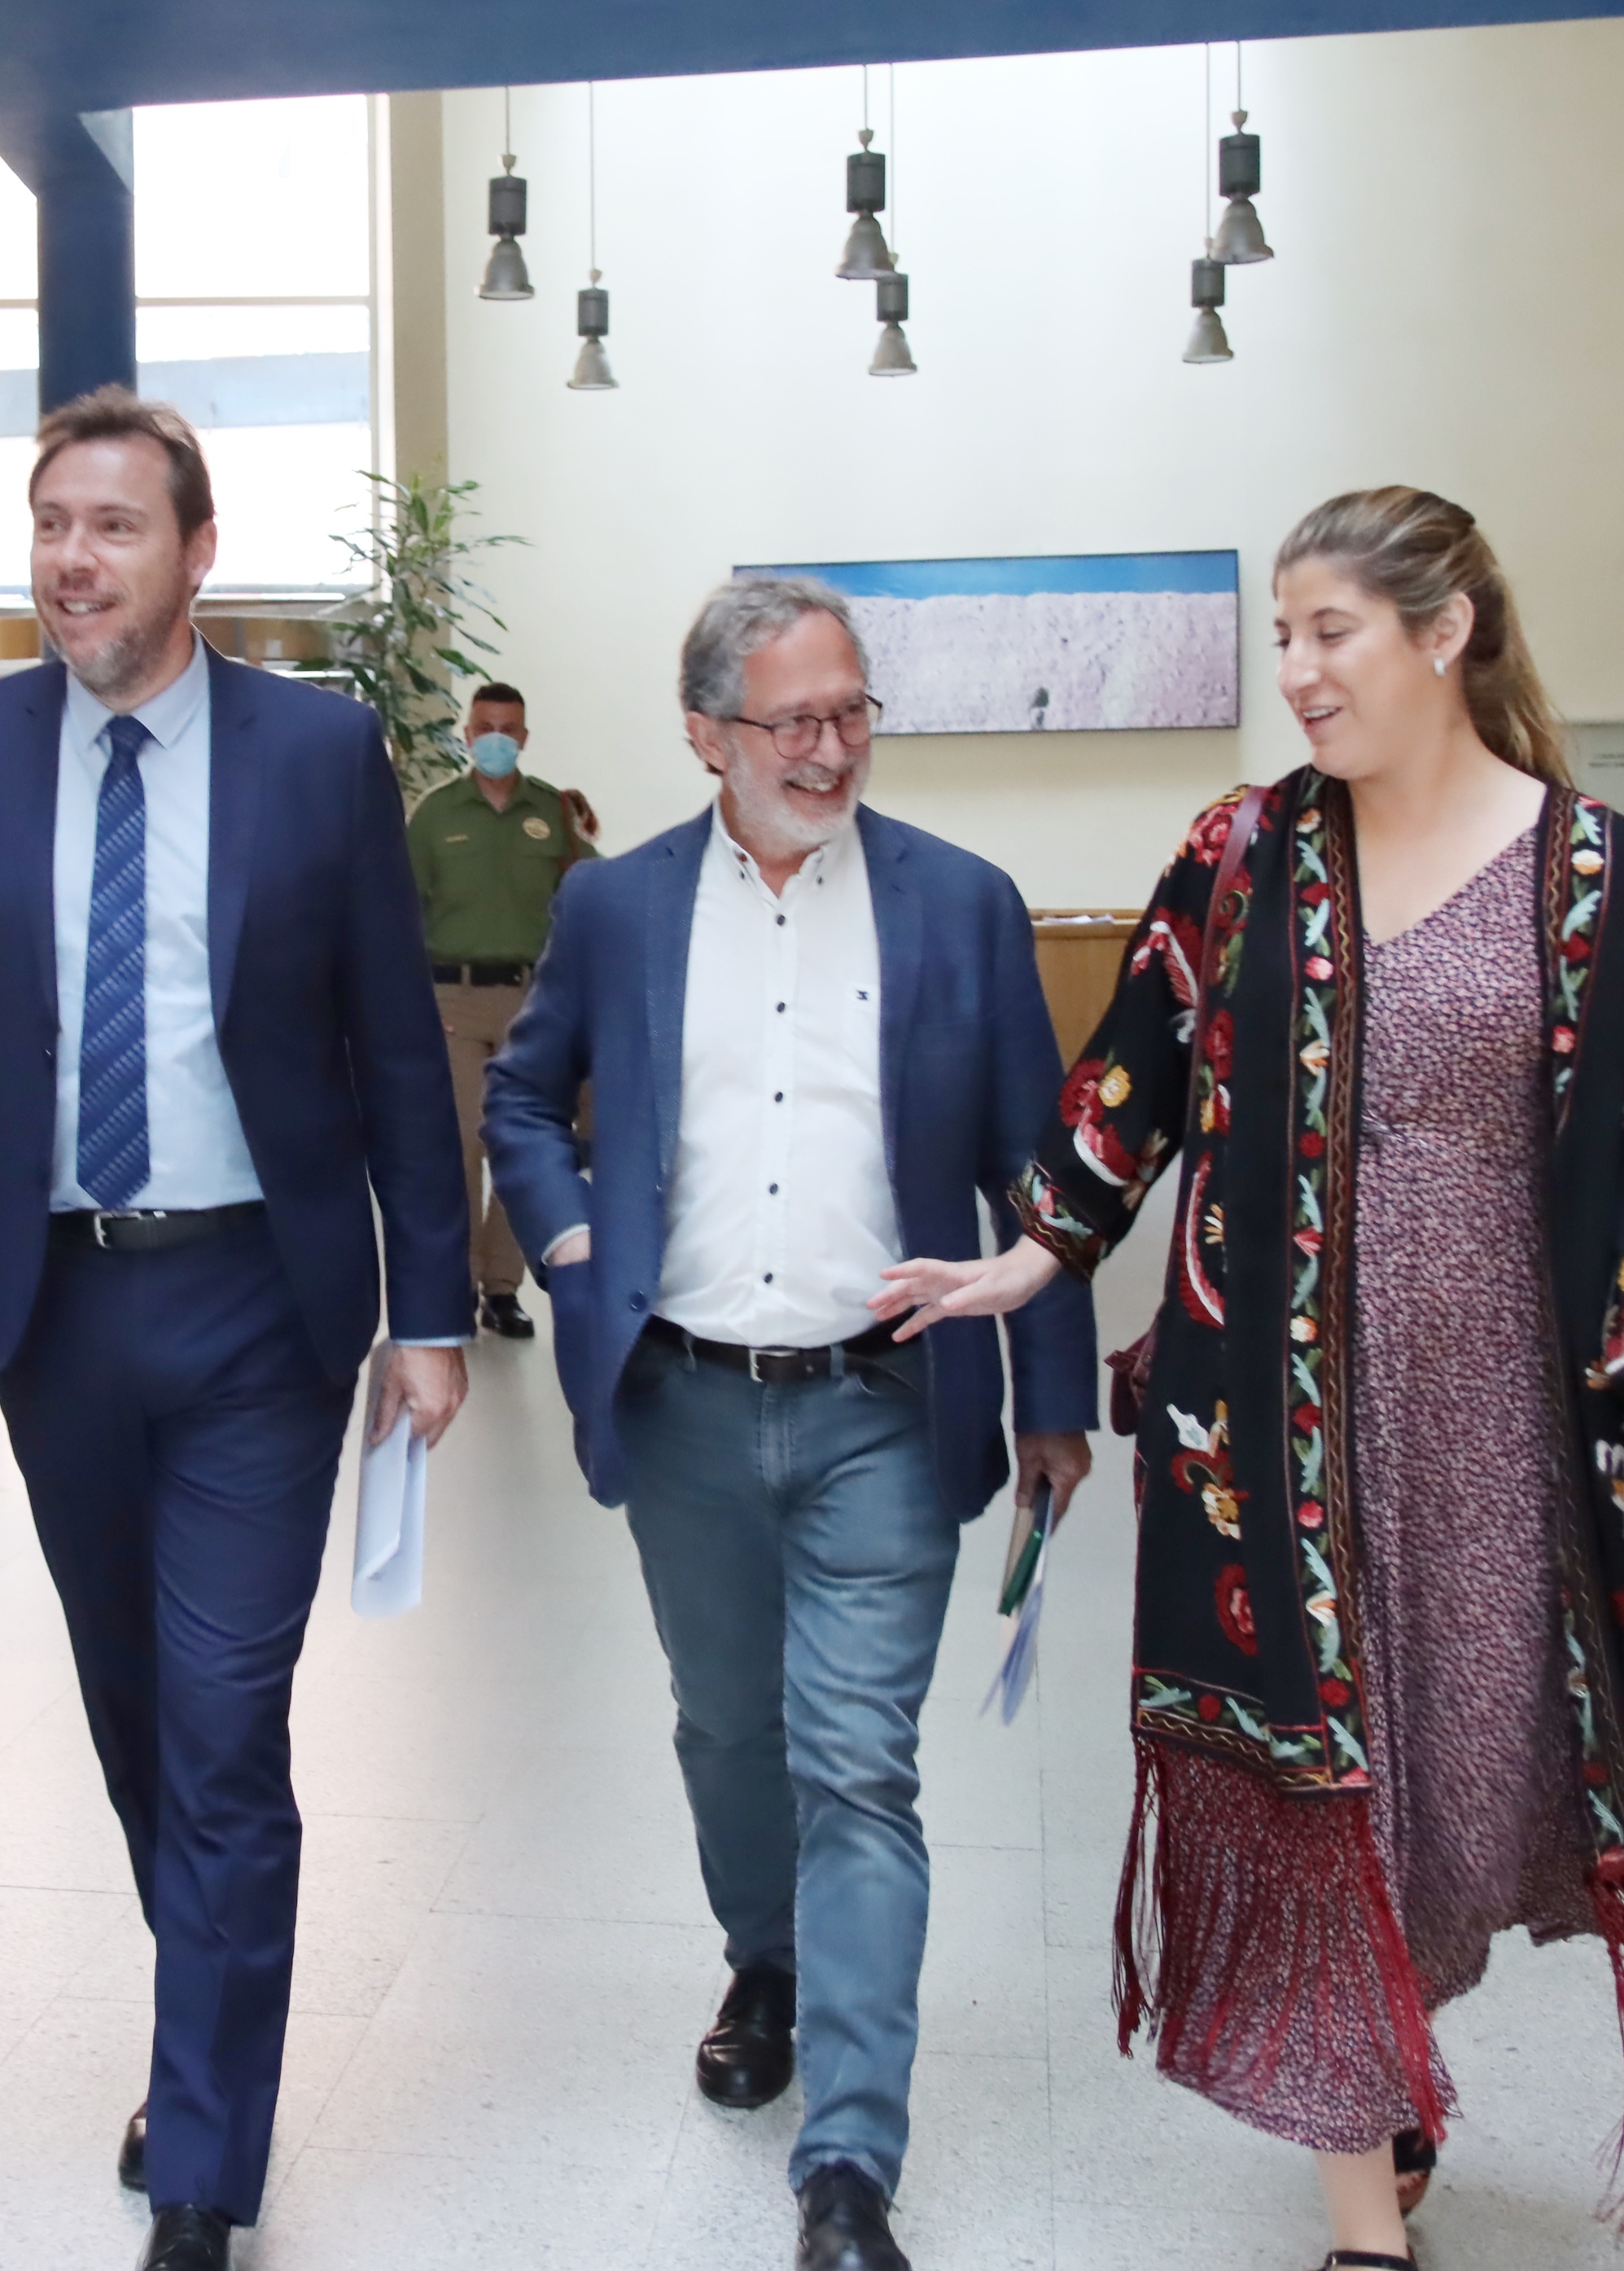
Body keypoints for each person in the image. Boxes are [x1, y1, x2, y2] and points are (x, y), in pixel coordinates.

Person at [873, 489, 1624, 2266]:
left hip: (1498, 1431)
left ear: (1445, 631)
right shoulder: (1244, 852)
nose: (1297, 669)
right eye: (1282, 633)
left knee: (1456, 1792)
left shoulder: (1593, 877)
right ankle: (1361, 2216)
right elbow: (1137, 1064)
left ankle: (1391, 2042)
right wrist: (1033, 1252)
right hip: (1270, 1437)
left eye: (1328, 630)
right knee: (1315, 1801)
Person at [0, 390, 474, 2271]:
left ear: (197, 553)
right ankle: (204, 2021)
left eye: (112, 524)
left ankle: (202, 2159)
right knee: (134, 1717)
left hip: (260, 1301)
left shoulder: (314, 753)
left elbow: (391, 1042)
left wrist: (430, 1305)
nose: (72, 559)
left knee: (223, 1721)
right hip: (56, 1308)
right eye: (50, 523)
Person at [483, 580, 1099, 2271]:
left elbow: (1040, 1170)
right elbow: (522, 1095)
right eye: (793, 721)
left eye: (851, 712)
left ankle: (847, 2167)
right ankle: (766, 1956)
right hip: (682, 1399)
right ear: (707, 733)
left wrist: (1052, 1393)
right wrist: (567, 1237)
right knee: (727, 1732)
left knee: (858, 1762)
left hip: (885, 1401)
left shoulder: (959, 903)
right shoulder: (616, 905)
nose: (829, 749)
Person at [405, 678, 594, 1339]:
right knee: (460, 1146)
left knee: (519, 1144)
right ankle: (455, 1282)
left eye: (508, 730)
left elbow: (590, 892)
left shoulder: (554, 811)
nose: (495, 739)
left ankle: (502, 1288)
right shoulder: (436, 814)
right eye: (484, 728)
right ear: (466, 734)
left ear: (524, 737)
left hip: (530, 1000)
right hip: (451, 1000)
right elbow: (400, 912)